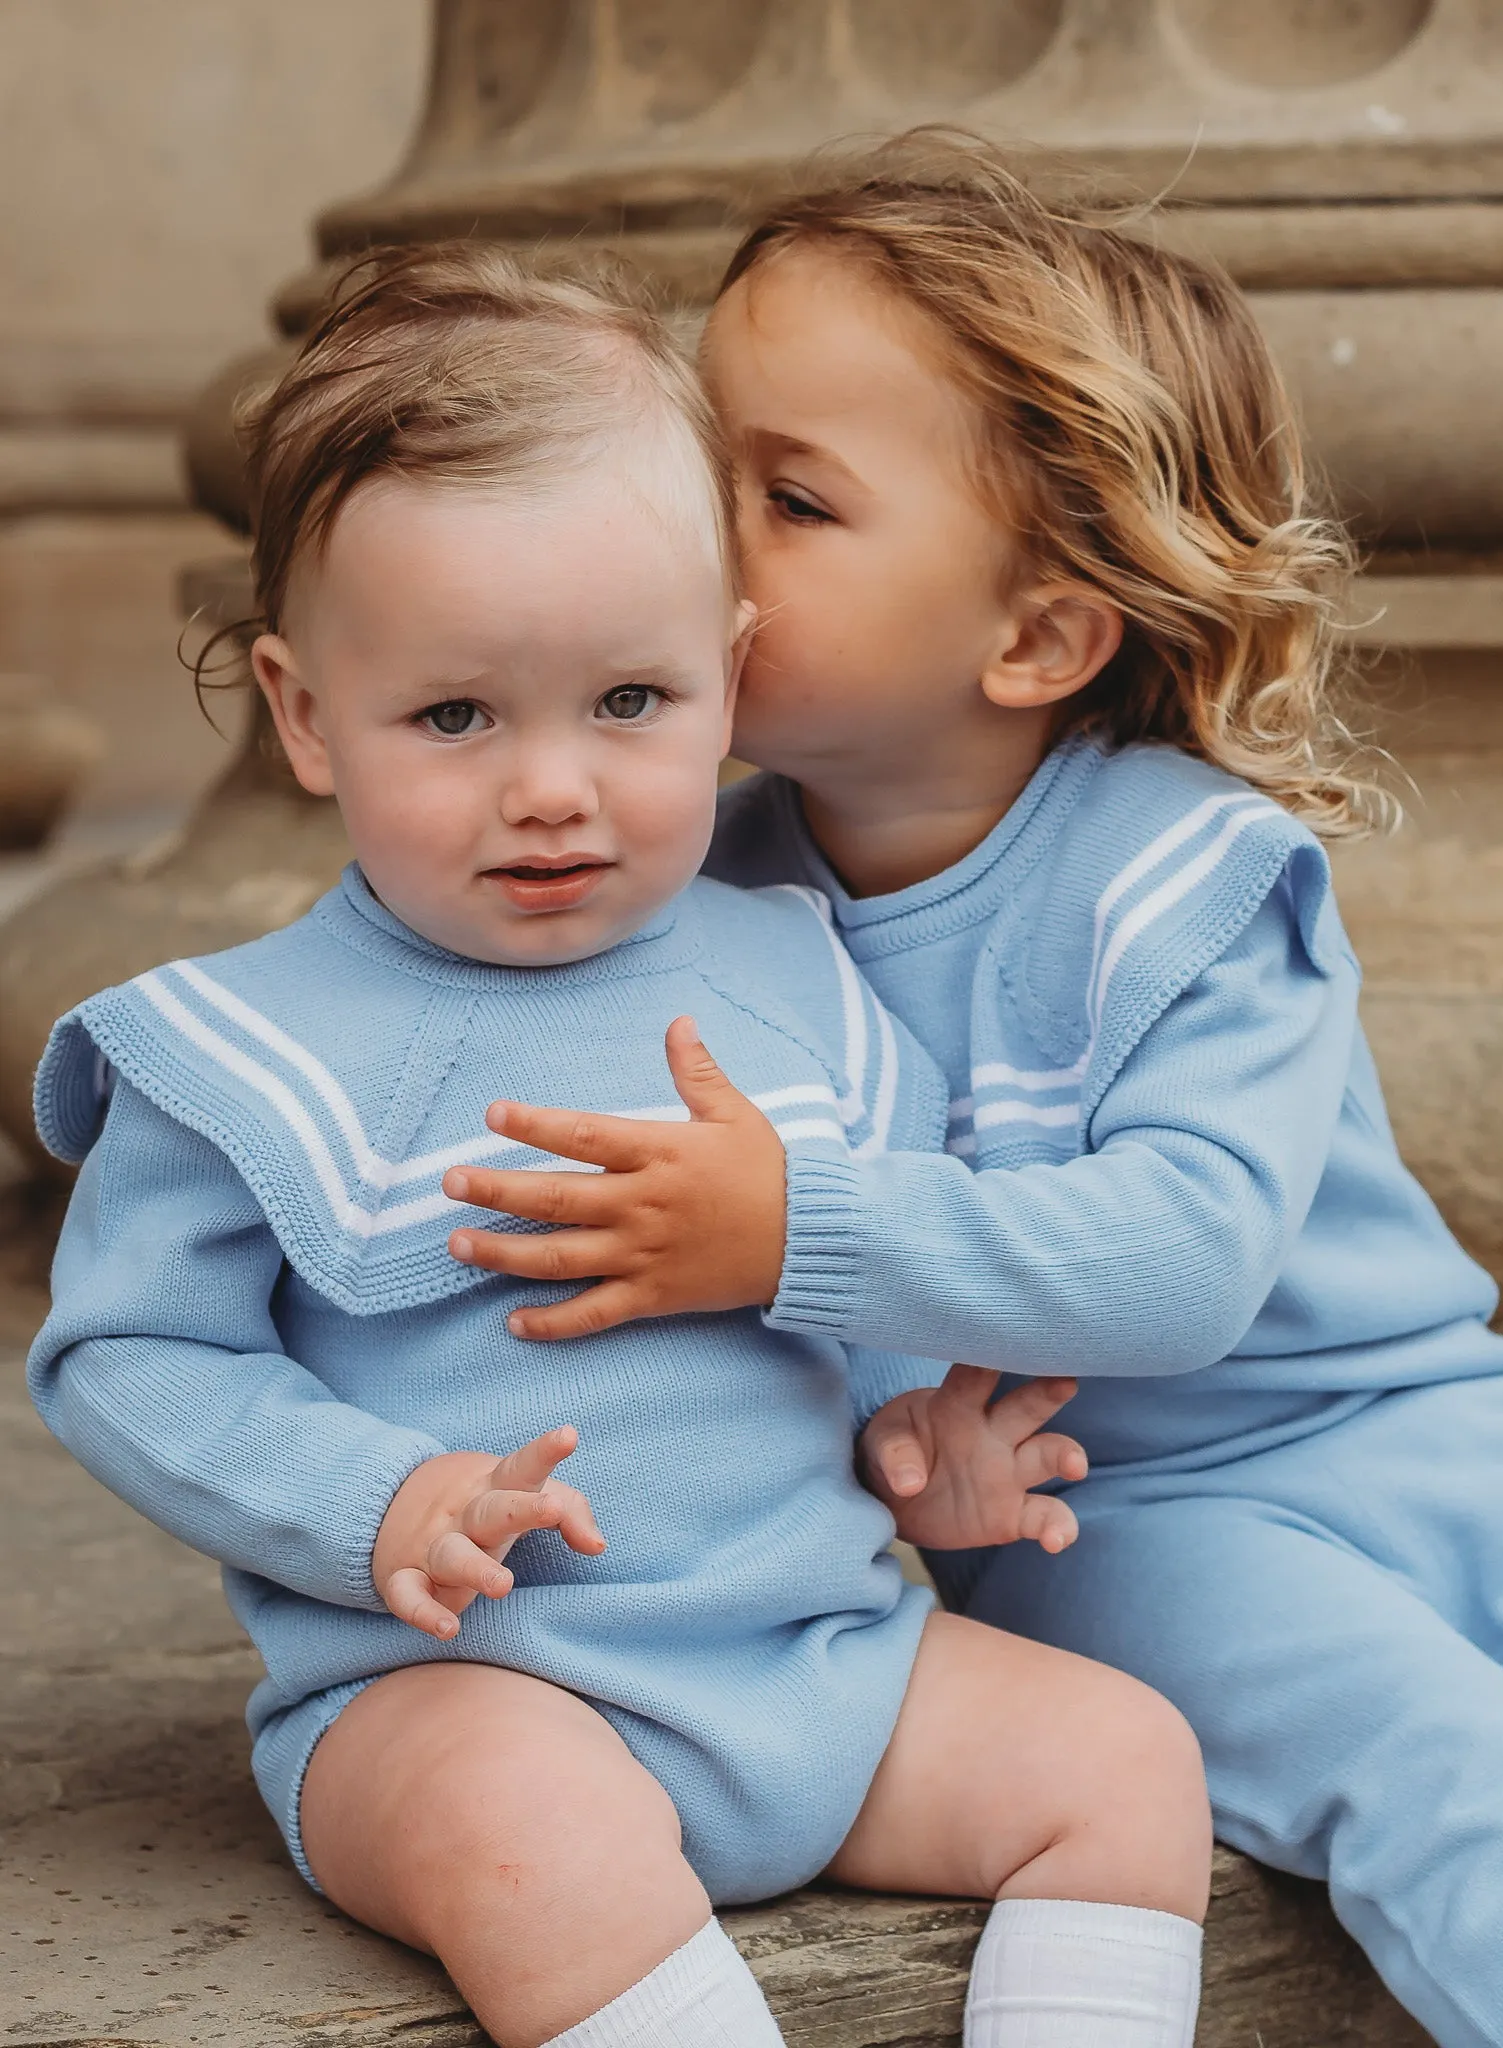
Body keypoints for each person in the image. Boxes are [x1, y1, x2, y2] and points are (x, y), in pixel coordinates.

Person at [27, 243, 1211, 2048]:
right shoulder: (247, 1047)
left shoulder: (793, 967)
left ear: (728, 678)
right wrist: (376, 1503)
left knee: (1123, 1759)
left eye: (629, 702)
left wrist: (922, 1441)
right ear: (302, 716)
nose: (551, 784)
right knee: (532, 1843)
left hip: (817, 1660)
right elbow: (131, 1354)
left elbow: (864, 1260)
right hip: (463, 1695)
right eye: (452, 715)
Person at [441, 138, 1503, 2048]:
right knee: (1451, 1782)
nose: (696, 536)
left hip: (1433, 1421)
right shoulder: (681, 900)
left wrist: (800, 1229)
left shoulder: (1185, 871)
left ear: (1033, 637)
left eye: (783, 497)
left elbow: (1185, 1258)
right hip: (1111, 1520)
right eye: (699, 468)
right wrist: (889, 1463)